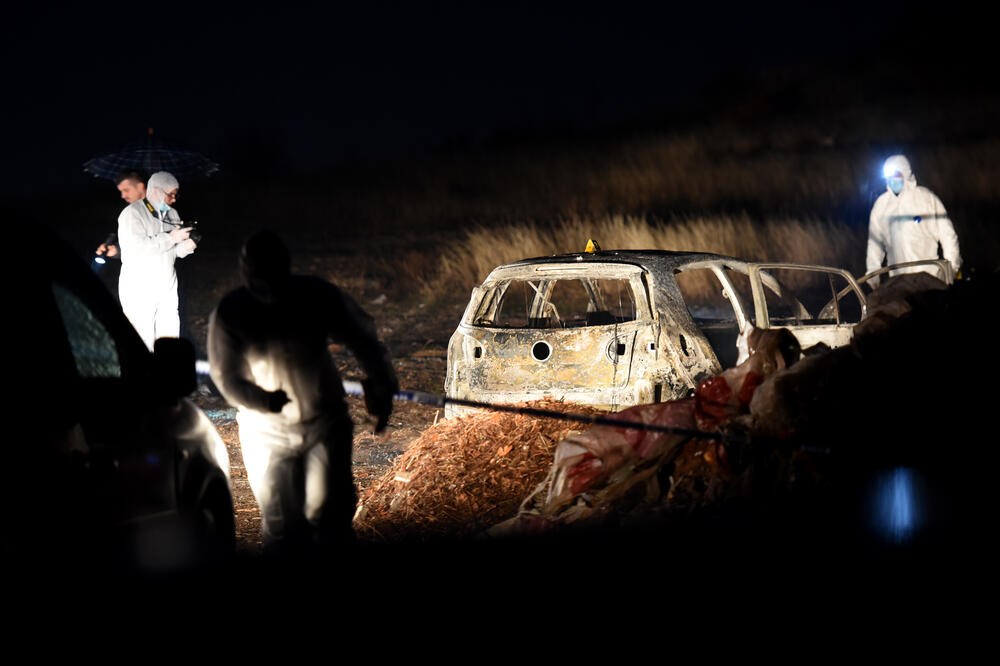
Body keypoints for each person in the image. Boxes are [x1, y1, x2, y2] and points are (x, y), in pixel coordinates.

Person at [207, 230, 398, 553]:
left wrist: (381, 385)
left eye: (270, 270)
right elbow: (226, 377)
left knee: (331, 516)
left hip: (323, 421)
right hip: (265, 430)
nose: (264, 281)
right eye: (256, 270)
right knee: (281, 524)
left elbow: (363, 338)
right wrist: (262, 400)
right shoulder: (232, 312)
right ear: (244, 269)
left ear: (285, 266)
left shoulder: (315, 296)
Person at [116, 170, 195, 350]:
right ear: (157, 191)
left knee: (170, 335)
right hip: (140, 288)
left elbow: (172, 252)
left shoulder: (172, 214)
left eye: (176, 195)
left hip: (167, 286)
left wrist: (186, 247)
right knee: (142, 338)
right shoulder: (132, 214)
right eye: (171, 195)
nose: (174, 200)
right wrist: (171, 238)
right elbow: (136, 249)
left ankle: (168, 374)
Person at [865, 154, 962, 289]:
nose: (893, 180)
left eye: (896, 175)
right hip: (898, 283)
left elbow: (948, 236)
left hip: (928, 280)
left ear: (905, 174)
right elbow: (875, 243)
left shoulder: (926, 199)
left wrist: (950, 270)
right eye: (889, 177)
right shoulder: (882, 205)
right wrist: (873, 273)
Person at [95, 169, 147, 260]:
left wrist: (119, 250)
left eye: (126, 190)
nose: (123, 196)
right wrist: (115, 249)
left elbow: (154, 246)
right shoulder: (129, 210)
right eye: (121, 191)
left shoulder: (159, 209)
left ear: (140, 187)